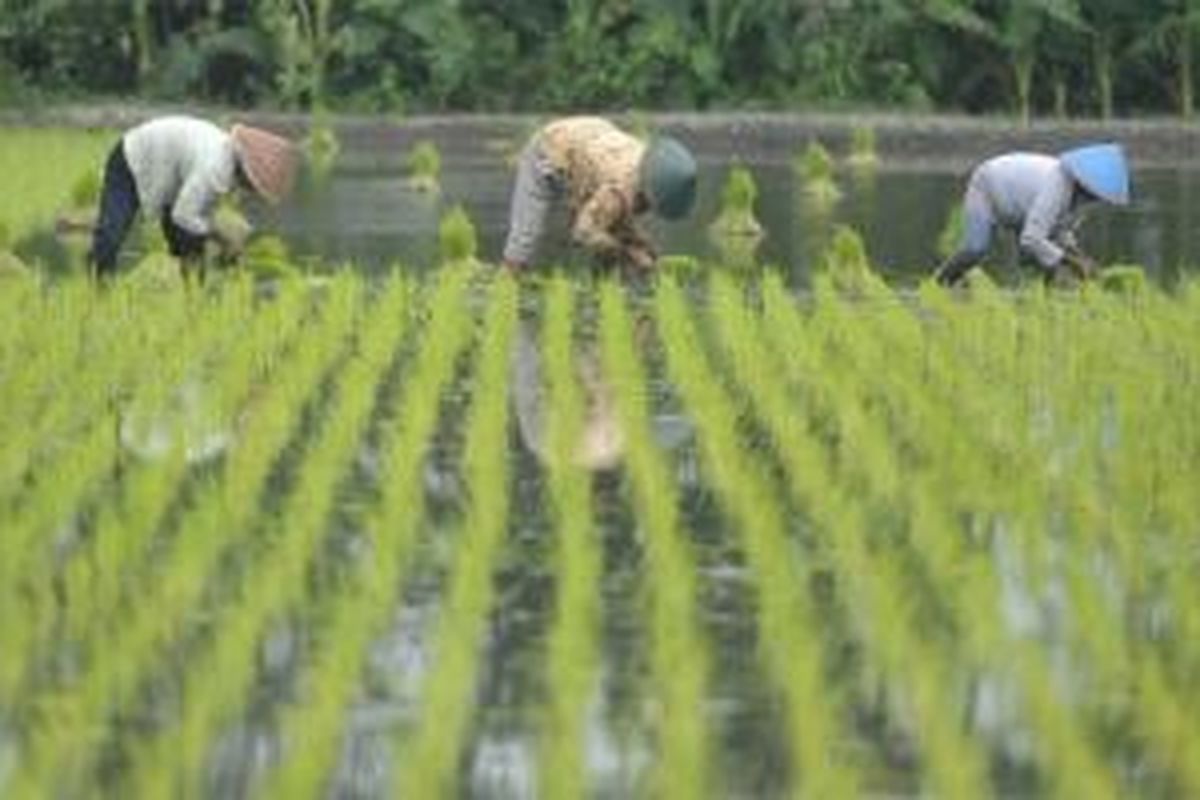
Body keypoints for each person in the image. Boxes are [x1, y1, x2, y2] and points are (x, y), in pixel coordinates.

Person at [89, 115, 297, 279]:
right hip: (131, 159)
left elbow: (197, 209)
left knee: (189, 243)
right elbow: (184, 215)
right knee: (112, 233)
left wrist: (224, 244)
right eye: (255, 187)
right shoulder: (215, 169)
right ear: (247, 173)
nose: (252, 192)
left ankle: (193, 300)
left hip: (170, 173)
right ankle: (97, 293)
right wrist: (221, 239)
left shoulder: (227, 158)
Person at [501, 116, 698, 273]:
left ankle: (603, 288)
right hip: (550, 148)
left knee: (612, 232)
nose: (649, 211)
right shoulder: (618, 188)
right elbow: (583, 232)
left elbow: (621, 219)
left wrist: (644, 249)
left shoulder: (646, 164)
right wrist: (624, 251)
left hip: (591, 138)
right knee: (525, 239)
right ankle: (507, 283)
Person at [935, 143, 1130, 287]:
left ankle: (1041, 298)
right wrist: (1073, 263)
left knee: (1037, 258)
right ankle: (939, 283)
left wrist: (1080, 256)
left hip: (1022, 206)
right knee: (975, 248)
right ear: (1087, 185)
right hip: (988, 186)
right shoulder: (1056, 186)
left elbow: (1062, 233)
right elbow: (1032, 237)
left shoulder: (1080, 200)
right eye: (1096, 195)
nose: (1096, 200)